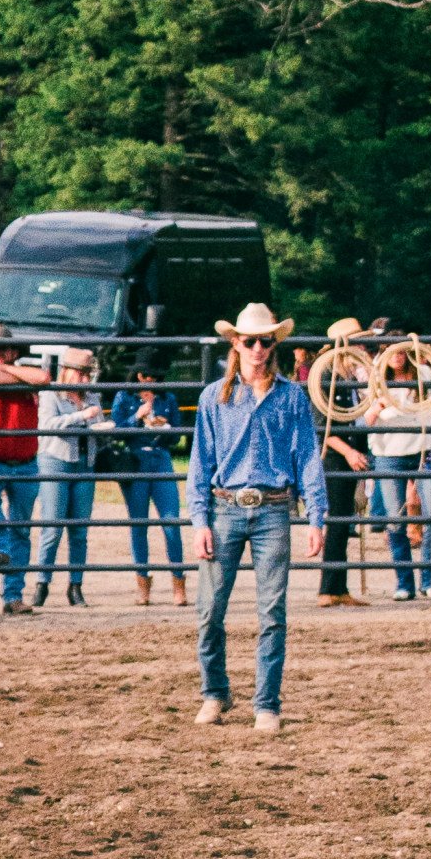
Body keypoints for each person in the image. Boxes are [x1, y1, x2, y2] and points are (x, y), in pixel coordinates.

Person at [186, 306, 318, 730]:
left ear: (274, 346)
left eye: (265, 341)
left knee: (272, 612)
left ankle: (266, 703)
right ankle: (215, 692)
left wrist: (317, 515)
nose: (258, 348)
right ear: (236, 344)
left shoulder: (293, 396)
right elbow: (199, 462)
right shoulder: (213, 398)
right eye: (250, 341)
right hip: (225, 507)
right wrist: (200, 520)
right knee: (209, 610)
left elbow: (307, 458)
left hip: (274, 508)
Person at [0, 329, 50, 609]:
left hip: (25, 461)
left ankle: (13, 595)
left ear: (15, 352)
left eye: (3, 349)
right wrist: (14, 374)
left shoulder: (17, 372)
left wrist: (5, 370)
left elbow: (43, 378)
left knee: (21, 530)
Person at [29, 345, 105, 610]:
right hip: (55, 461)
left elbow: (99, 422)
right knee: (52, 525)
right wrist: (80, 416)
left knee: (80, 530)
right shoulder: (51, 394)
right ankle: (42, 582)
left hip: (85, 462)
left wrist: (99, 424)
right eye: (80, 373)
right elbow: (47, 425)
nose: (85, 379)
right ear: (66, 371)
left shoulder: (92, 396)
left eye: (87, 374)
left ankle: (76, 585)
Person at [109, 349, 183, 603]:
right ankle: (143, 582)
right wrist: (136, 417)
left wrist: (166, 427)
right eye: (145, 375)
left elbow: (177, 434)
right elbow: (116, 430)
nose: (149, 380)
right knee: (138, 523)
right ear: (138, 376)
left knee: (171, 521)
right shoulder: (124, 396)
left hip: (161, 457)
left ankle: (178, 580)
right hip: (136, 459)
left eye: (154, 376)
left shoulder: (168, 398)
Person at [358, 355, 431, 602]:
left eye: (402, 351)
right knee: (395, 519)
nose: (398, 356)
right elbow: (363, 421)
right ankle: (404, 582)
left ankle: (430, 579)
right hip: (389, 452)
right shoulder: (376, 380)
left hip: (423, 448)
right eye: (392, 351)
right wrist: (376, 408)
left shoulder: (424, 375)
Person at [309, 319, 369, 608]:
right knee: (337, 520)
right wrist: (348, 452)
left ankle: (338, 586)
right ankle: (328, 587)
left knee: (343, 518)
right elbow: (322, 426)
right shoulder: (325, 377)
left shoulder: (345, 376)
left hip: (345, 453)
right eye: (357, 342)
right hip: (335, 456)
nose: (362, 347)